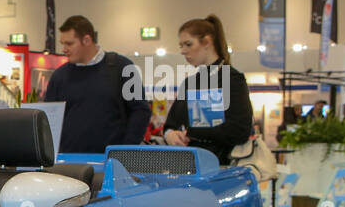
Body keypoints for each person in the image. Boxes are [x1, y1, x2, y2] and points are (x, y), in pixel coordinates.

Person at [42, 15, 149, 152]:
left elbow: (140, 111)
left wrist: (125, 150)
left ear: (87, 40)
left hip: (111, 161)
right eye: (62, 44)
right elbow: (49, 118)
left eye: (69, 44)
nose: (64, 49)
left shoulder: (123, 68)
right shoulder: (59, 76)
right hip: (68, 163)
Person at [163, 15, 253, 164]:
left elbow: (239, 130)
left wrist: (192, 133)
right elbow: (171, 124)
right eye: (181, 46)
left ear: (207, 42)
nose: (183, 51)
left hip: (222, 167)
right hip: (187, 167)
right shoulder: (189, 83)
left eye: (188, 44)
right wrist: (170, 134)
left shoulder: (232, 79)